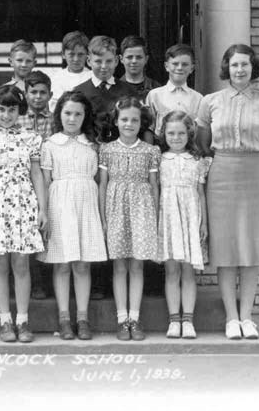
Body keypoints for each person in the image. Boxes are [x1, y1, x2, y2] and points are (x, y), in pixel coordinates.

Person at [196, 44, 259, 340]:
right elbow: (204, 141)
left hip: (253, 173)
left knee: (251, 248)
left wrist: (254, 164)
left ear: (252, 67)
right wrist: (224, 161)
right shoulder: (211, 101)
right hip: (222, 174)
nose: (240, 70)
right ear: (226, 68)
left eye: (244, 64)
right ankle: (232, 318)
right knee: (227, 248)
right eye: (234, 65)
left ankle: (248, 317)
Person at [0, 85, 48, 343]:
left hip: (23, 202)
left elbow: (37, 173)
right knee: (0, 264)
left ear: (20, 110)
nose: (6, 115)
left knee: (21, 263)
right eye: (2, 109)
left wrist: (42, 208)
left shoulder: (32, 138)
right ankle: (5, 320)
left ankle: (23, 320)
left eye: (12, 109)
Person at [39, 91, 107, 341]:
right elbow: (45, 182)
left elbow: (100, 182)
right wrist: (44, 212)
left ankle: (83, 317)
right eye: (67, 113)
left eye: (78, 113)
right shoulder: (49, 145)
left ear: (85, 116)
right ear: (59, 114)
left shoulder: (93, 145)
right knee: (63, 263)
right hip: (60, 204)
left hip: (86, 204)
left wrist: (101, 215)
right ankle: (64, 317)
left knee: (82, 263)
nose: (72, 118)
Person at [98, 96, 160, 341]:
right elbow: (102, 185)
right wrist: (103, 217)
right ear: (116, 121)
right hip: (116, 209)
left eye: (134, 120)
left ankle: (135, 318)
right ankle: (121, 319)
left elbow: (154, 186)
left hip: (142, 209)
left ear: (141, 122)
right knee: (119, 265)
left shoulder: (150, 151)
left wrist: (154, 216)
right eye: (124, 119)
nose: (129, 124)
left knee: (137, 264)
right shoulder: (107, 149)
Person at [74, 35, 130, 299]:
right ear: (89, 60)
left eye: (109, 61)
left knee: (115, 217)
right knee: (93, 217)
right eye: (98, 61)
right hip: (89, 163)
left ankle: (113, 280)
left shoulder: (127, 92)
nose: (104, 66)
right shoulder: (80, 92)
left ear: (117, 61)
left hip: (119, 164)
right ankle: (96, 282)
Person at [157, 111, 210, 339]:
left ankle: (188, 320)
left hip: (190, 217)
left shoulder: (198, 161)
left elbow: (201, 193)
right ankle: (173, 320)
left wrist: (204, 223)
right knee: (171, 270)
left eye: (181, 133)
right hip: (168, 218)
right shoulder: (159, 159)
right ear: (164, 134)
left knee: (188, 271)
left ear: (189, 133)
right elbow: (156, 192)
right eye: (171, 133)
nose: (176, 137)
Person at [19, 70, 54, 300]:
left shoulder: (56, 119)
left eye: (43, 92)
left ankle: (49, 278)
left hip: (50, 177)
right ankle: (35, 281)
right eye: (33, 92)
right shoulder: (18, 118)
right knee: (28, 230)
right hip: (23, 180)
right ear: (26, 93)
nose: (38, 97)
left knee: (49, 228)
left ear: (50, 94)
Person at [146, 43, 203, 145]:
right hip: (161, 147)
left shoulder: (198, 98)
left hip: (188, 148)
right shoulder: (154, 95)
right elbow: (149, 128)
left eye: (185, 64)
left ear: (192, 68)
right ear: (166, 66)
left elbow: (199, 130)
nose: (180, 68)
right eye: (175, 64)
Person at [49, 31, 93, 112]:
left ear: (87, 55)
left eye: (80, 54)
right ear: (63, 54)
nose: (76, 59)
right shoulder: (56, 78)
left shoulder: (92, 77)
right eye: (71, 54)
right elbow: (52, 107)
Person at [119, 35, 161, 104]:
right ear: (121, 59)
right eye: (129, 57)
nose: (134, 61)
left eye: (139, 57)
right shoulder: (113, 90)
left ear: (146, 59)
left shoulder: (156, 89)